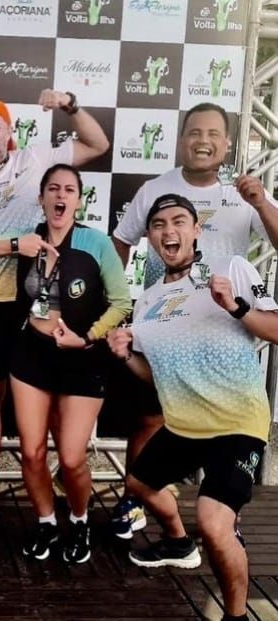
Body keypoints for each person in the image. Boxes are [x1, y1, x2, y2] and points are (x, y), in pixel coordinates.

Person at [0, 93, 109, 526]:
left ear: (10, 133)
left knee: (54, 399)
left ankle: (61, 480)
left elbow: (97, 144)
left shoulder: (34, 160)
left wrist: (69, 103)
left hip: (46, 305)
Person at [109, 102, 278, 539]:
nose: (202, 141)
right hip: (164, 325)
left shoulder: (242, 192)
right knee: (150, 419)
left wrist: (261, 202)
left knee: (226, 427)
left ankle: (225, 519)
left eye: (212, 133)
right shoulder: (155, 189)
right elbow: (120, 242)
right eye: (194, 132)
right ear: (181, 139)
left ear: (227, 143)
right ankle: (135, 502)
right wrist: (117, 302)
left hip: (224, 327)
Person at [107, 193, 278, 621]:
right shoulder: (146, 303)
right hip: (183, 425)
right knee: (138, 484)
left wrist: (236, 307)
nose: (169, 230)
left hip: (237, 421)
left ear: (196, 229)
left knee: (214, 523)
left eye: (179, 221)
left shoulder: (232, 269)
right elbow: (156, 376)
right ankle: (178, 543)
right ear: (149, 238)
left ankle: (236, 616)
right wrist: (125, 355)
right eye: (159, 224)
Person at [0, 164, 131, 562]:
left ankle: (80, 520)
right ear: (41, 198)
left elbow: (121, 302)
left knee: (71, 457)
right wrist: (14, 246)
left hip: (81, 359)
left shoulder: (95, 242)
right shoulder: (30, 238)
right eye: (53, 188)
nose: (60, 196)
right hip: (31, 356)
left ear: (78, 200)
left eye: (69, 189)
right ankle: (47, 522)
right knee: (32, 451)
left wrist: (86, 337)